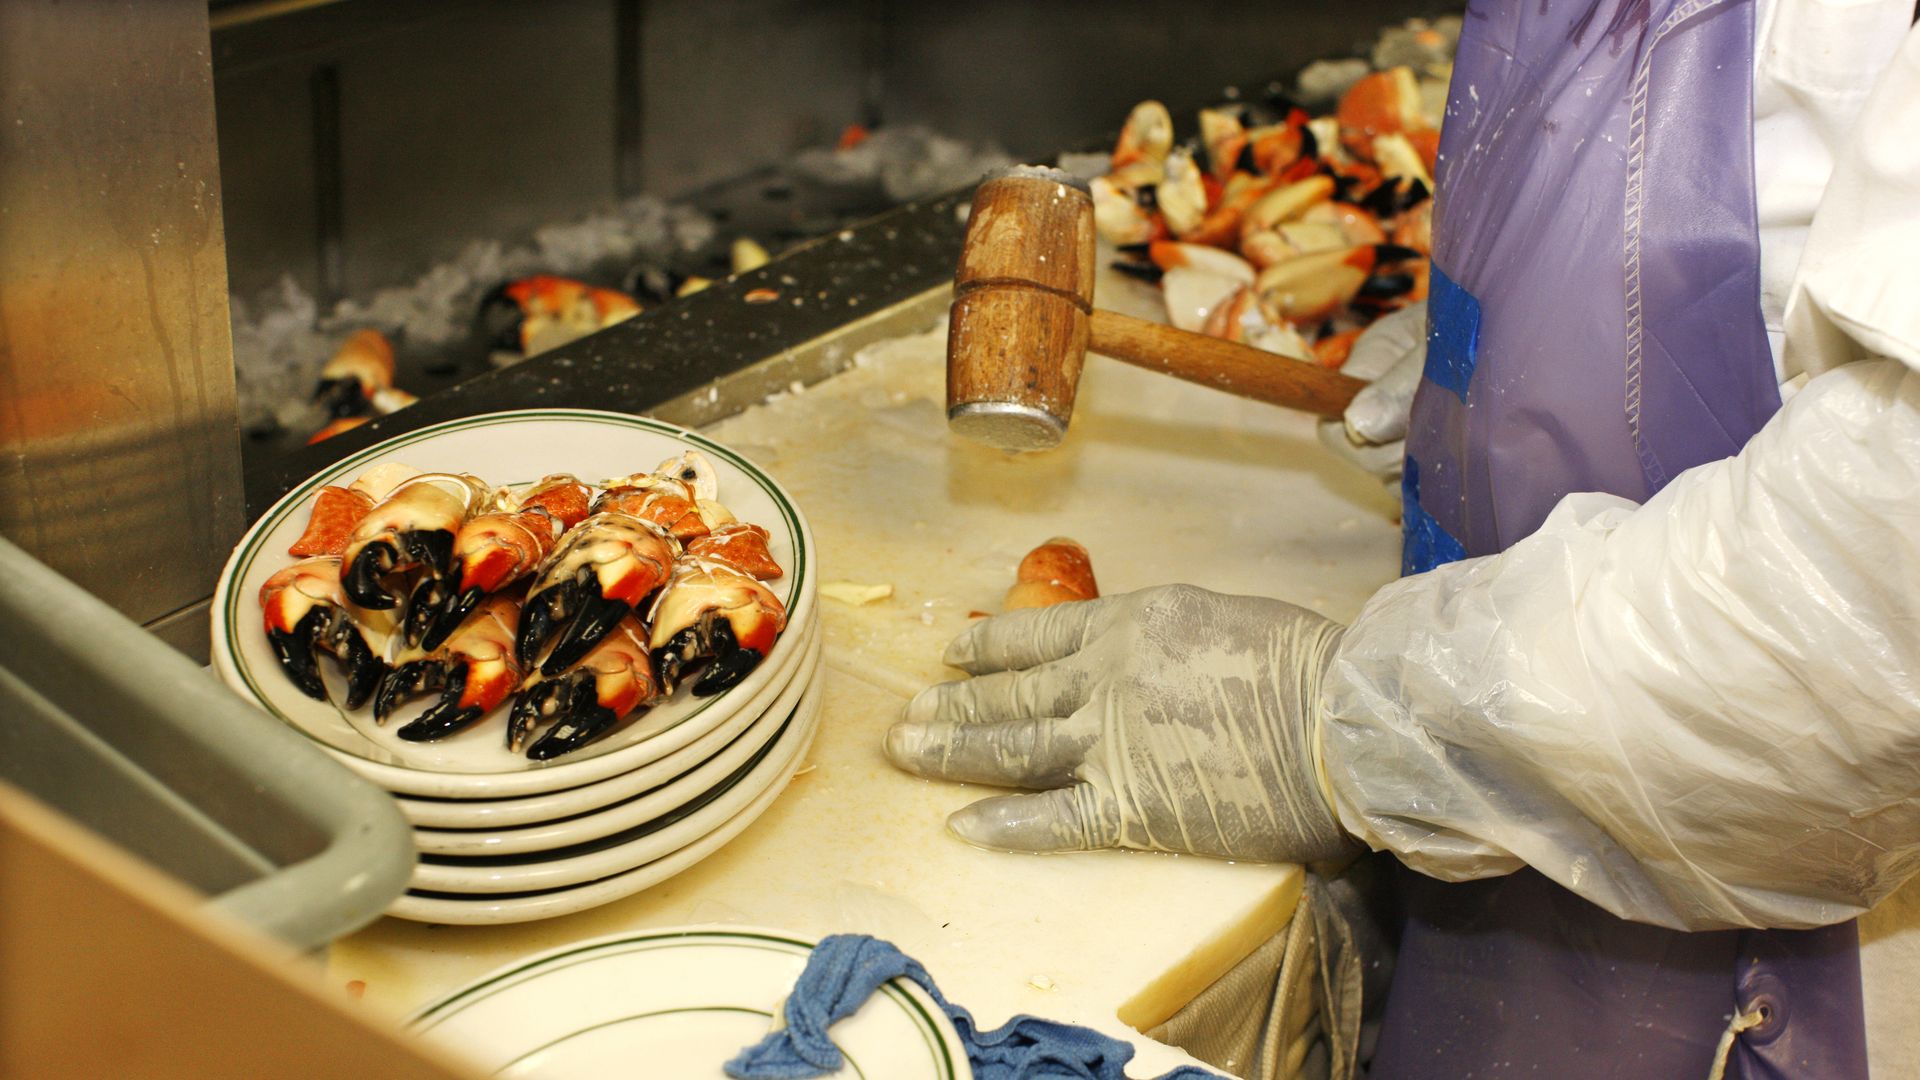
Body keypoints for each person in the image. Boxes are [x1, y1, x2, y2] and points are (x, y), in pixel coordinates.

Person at [885, 0, 1920, 1076]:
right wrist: (1492, 388)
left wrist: (1359, 723)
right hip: (1535, 831)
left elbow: (1873, 603)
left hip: (1777, 892)